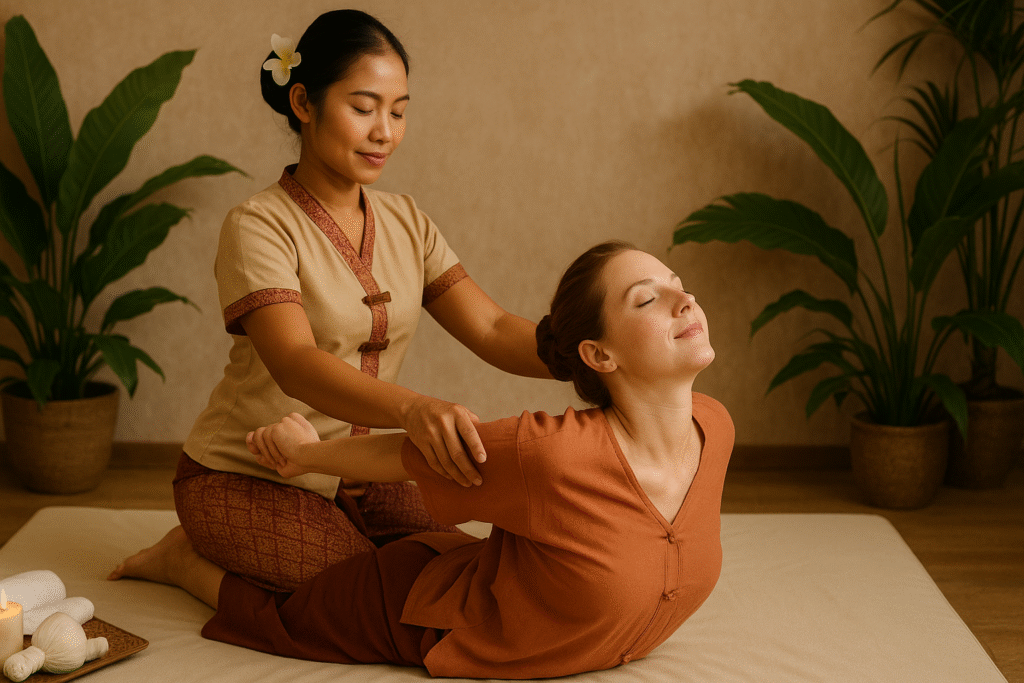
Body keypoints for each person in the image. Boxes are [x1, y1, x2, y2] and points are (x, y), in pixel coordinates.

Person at [112, 241, 734, 679]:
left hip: (485, 574)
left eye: (679, 285)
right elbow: (419, 453)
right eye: (647, 299)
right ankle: (179, 561)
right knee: (286, 619)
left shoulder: (716, 427)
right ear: (598, 355)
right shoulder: (552, 453)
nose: (684, 300)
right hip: (423, 616)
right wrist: (306, 455)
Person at [175, 9, 551, 591]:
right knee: (361, 598)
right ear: (304, 102)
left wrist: (589, 351)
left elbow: (494, 327)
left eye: (399, 112)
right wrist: (412, 410)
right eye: (364, 107)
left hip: (360, 476)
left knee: (471, 573)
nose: (386, 132)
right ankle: (183, 563)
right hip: (247, 474)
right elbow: (297, 364)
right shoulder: (257, 225)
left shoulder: (407, 221)